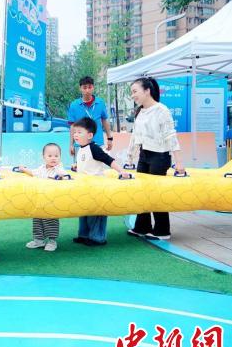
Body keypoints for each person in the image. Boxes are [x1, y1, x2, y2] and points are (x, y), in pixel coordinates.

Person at [126, 77, 185, 240]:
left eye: (135, 91)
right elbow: (135, 136)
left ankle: (162, 230)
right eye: (132, 92)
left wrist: (179, 162)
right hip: (144, 155)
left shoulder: (162, 110)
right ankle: (142, 226)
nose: (133, 95)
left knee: (157, 193)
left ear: (147, 91)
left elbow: (171, 136)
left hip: (159, 156)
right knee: (142, 192)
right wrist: (130, 158)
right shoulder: (140, 111)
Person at [72, 117, 131, 246]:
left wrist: (121, 171)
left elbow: (108, 160)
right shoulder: (81, 149)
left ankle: (97, 238)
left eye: (79, 132)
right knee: (84, 212)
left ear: (90, 135)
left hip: (96, 188)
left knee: (96, 213)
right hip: (85, 188)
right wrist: (76, 166)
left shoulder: (94, 148)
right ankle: (84, 235)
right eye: (75, 132)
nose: (75, 135)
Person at [17, 143, 66, 252]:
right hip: (39, 200)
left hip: (51, 201)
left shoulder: (59, 169)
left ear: (60, 157)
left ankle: (52, 241)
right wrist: (23, 169)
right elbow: (33, 173)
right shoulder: (41, 168)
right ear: (43, 157)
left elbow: (63, 175)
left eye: (56, 156)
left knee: (51, 220)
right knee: (37, 219)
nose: (53, 158)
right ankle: (38, 240)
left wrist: (60, 175)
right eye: (50, 156)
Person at [67, 76, 114, 161]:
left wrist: (109, 138)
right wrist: (71, 144)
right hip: (80, 144)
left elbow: (104, 121)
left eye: (89, 87)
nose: (87, 90)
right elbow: (72, 126)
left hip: (98, 143)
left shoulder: (100, 103)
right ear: (80, 88)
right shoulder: (74, 105)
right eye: (84, 88)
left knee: (98, 167)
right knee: (80, 168)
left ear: (93, 87)